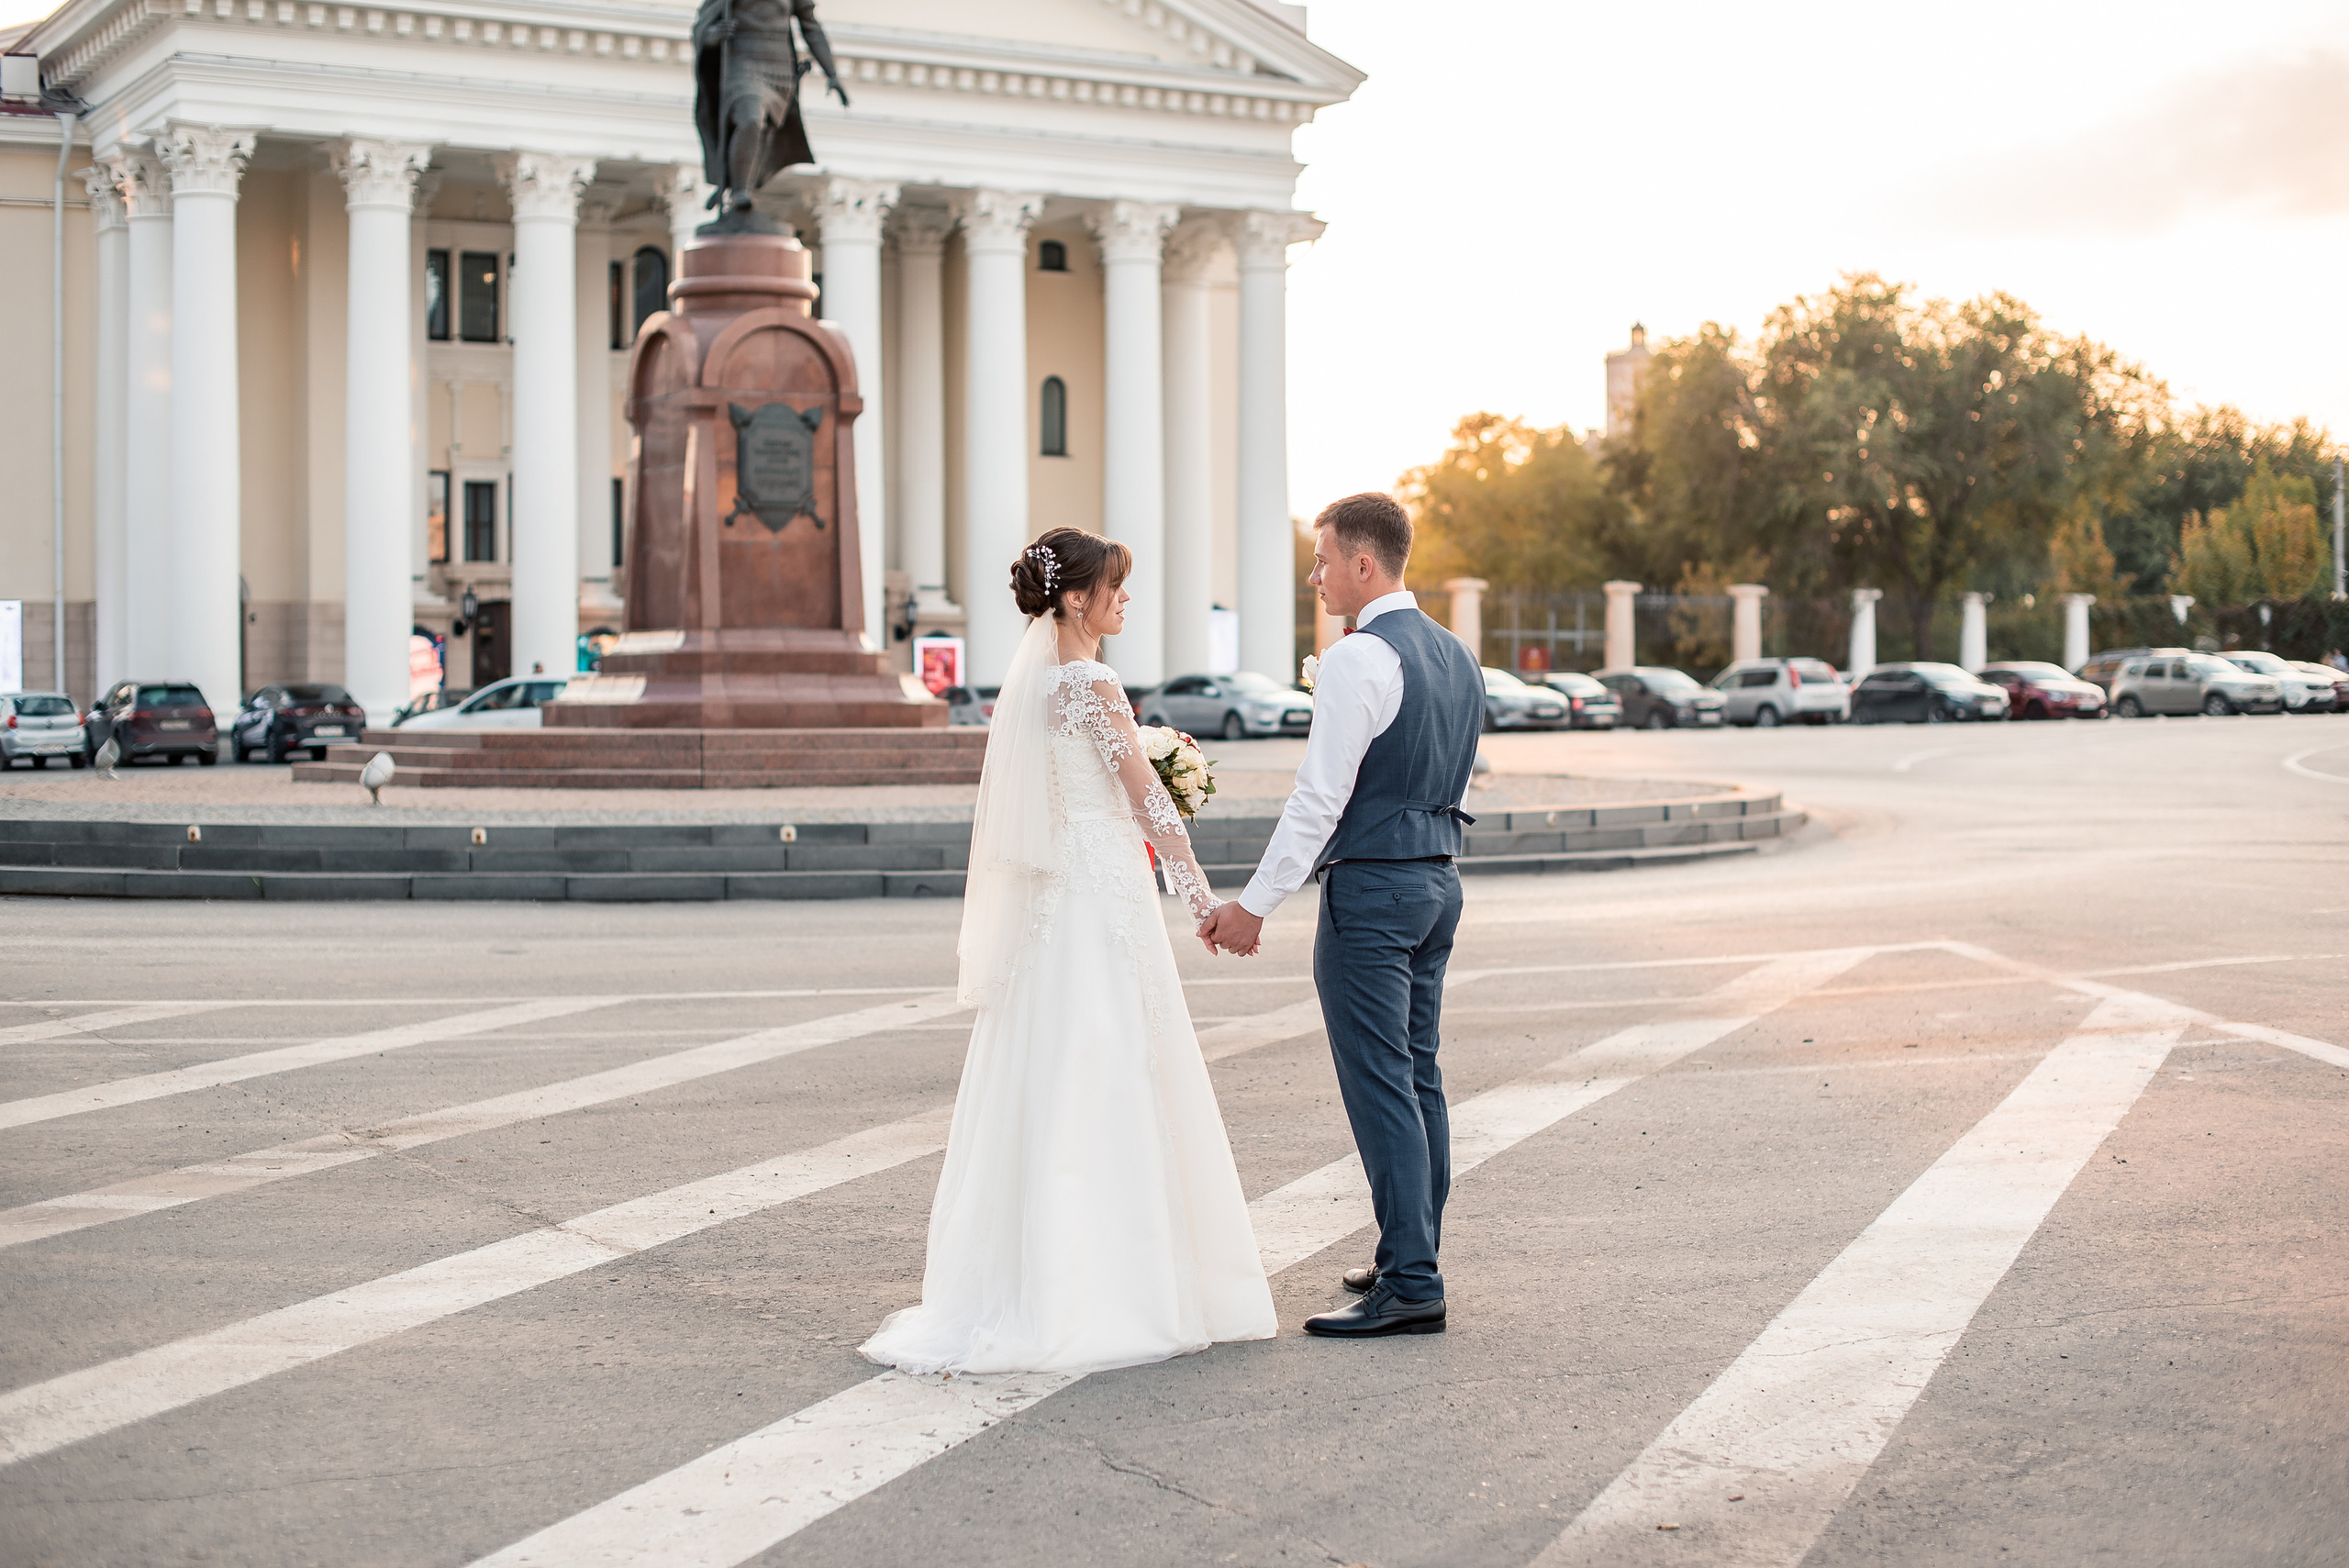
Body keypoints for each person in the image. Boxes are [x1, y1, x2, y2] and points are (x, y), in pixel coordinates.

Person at [861, 528, 1276, 1376]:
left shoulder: (1033, 688)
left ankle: (1026, 1286)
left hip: (1060, 905)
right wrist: (1205, 900)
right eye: (1114, 586)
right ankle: (1112, 1291)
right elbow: (1148, 804)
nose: (1125, 599)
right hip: (1101, 901)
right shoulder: (1091, 681)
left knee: (1048, 1077)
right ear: (1076, 597)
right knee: (1114, 1070)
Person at [1197, 493, 1483, 1339]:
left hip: (1375, 893)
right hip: (1439, 881)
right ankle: (1409, 1251)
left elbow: (1318, 799)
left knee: (1382, 1082)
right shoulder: (1456, 654)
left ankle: (1413, 1282)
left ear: (1365, 563)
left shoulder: (1359, 658)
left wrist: (1252, 906)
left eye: (1322, 559)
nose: (1314, 574)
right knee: (1418, 1072)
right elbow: (1460, 774)